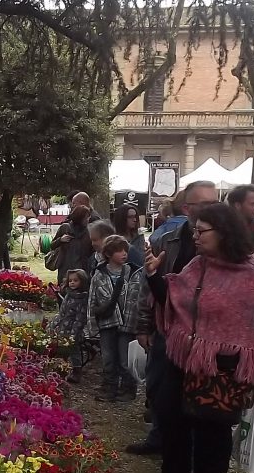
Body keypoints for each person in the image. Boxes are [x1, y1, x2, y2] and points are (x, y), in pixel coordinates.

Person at [143, 202, 254, 473]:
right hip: (186, 355)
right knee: (170, 415)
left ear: (224, 232)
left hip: (225, 365)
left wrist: (234, 354)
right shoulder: (197, 265)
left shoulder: (253, 274)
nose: (195, 237)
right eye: (194, 231)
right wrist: (153, 275)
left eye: (201, 231)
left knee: (210, 428)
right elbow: (175, 300)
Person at [125, 181, 218, 456]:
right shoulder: (165, 239)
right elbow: (147, 284)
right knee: (157, 385)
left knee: (195, 392)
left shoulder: (226, 244)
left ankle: (187, 448)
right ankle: (159, 438)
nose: (212, 209)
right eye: (205, 204)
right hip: (168, 325)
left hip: (204, 332)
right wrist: (144, 325)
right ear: (188, 208)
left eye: (215, 203)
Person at [89, 235, 144, 402]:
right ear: (108, 254)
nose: (124, 254)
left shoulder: (134, 273)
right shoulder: (99, 274)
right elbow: (92, 300)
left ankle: (128, 389)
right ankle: (109, 387)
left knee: (125, 359)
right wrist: (90, 326)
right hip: (107, 322)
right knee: (108, 358)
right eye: (119, 250)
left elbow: (140, 299)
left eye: (125, 250)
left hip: (128, 323)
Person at [49, 267, 90, 385]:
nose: (72, 283)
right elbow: (62, 312)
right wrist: (55, 323)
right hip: (63, 326)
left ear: (82, 282)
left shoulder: (82, 298)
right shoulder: (68, 295)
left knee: (74, 350)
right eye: (70, 280)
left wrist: (74, 332)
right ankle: (61, 368)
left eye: (75, 280)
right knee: (62, 348)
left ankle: (77, 371)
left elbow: (80, 318)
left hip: (74, 329)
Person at [45, 204, 92, 286]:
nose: (88, 220)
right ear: (79, 217)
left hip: (82, 270)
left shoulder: (88, 232)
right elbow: (52, 246)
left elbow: (91, 251)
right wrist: (60, 240)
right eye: (86, 217)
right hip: (65, 269)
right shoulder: (65, 228)